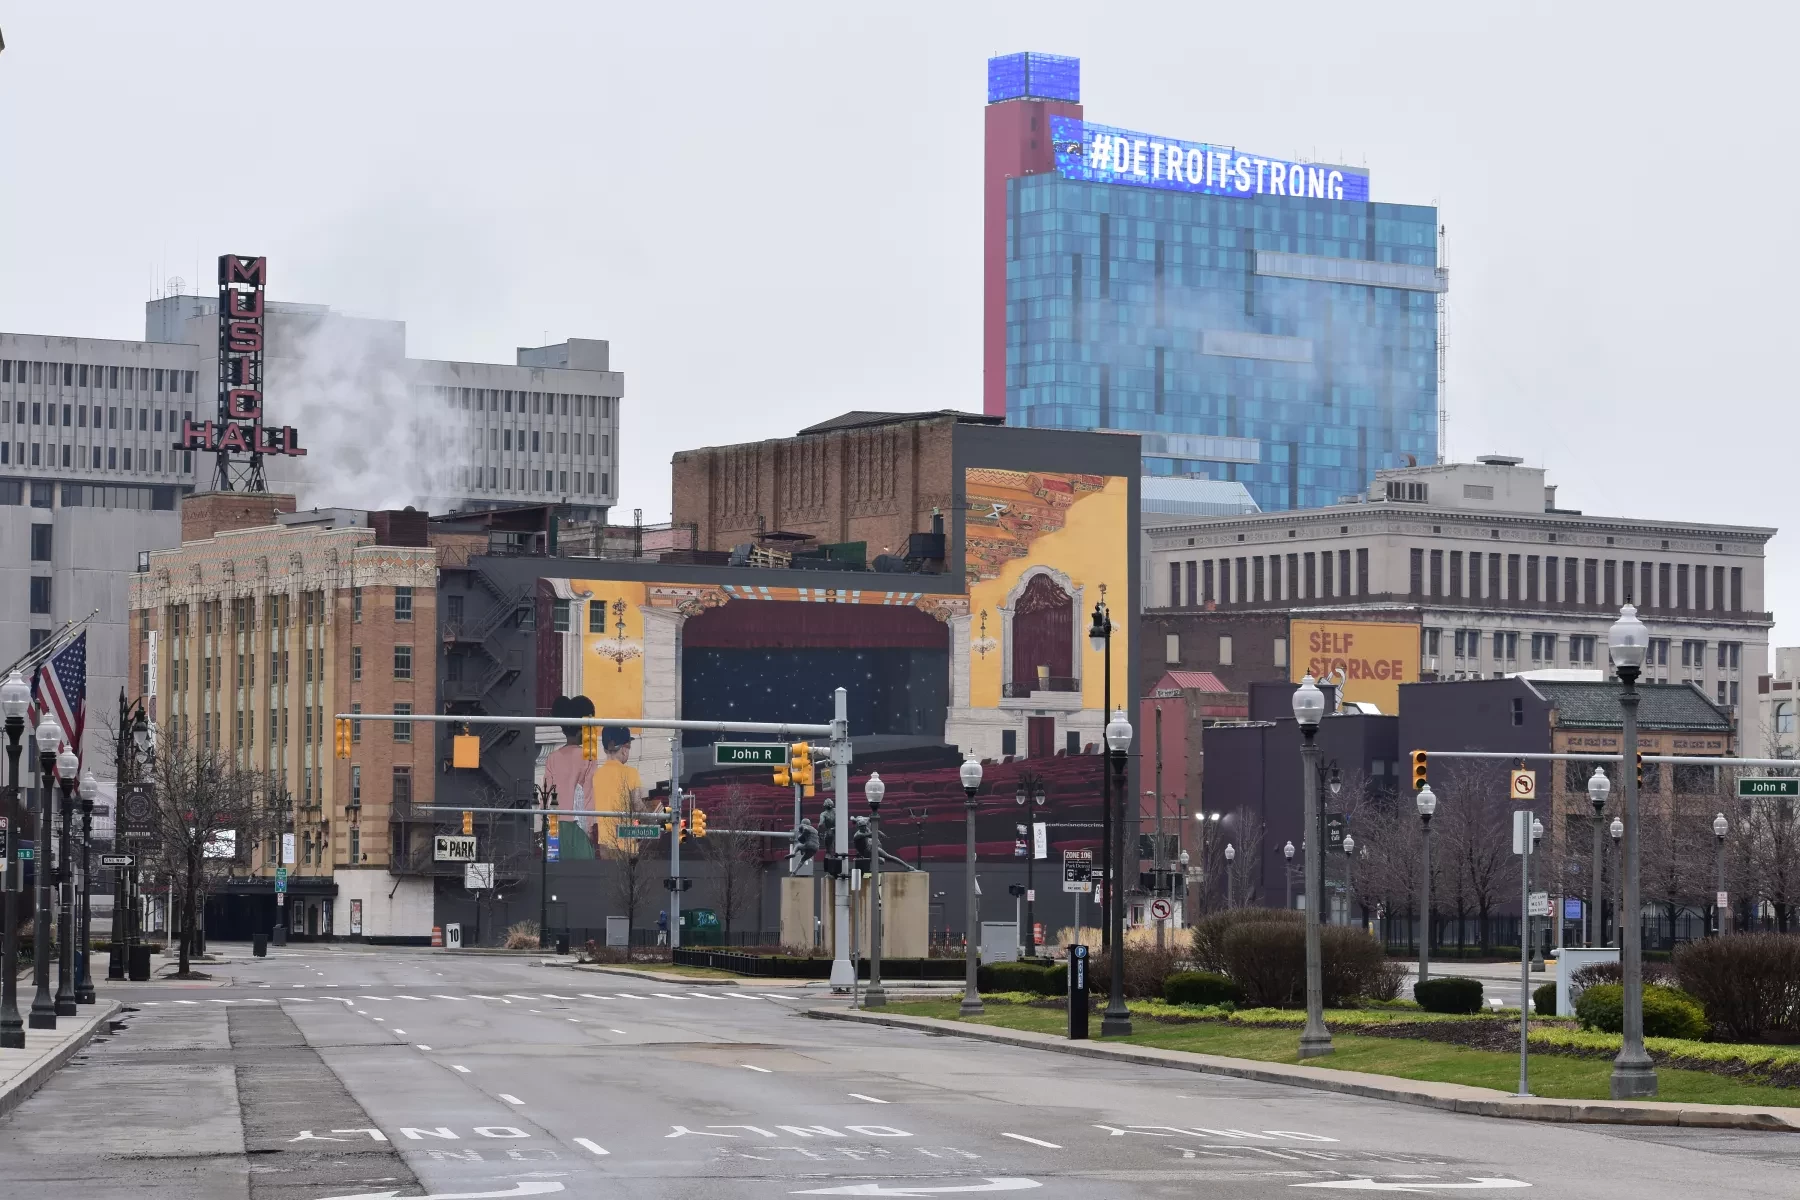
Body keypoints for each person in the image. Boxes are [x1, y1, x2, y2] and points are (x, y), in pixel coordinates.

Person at [541, 695, 598, 833]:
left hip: (555, 825)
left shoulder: (552, 758)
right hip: (578, 826)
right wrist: (589, 828)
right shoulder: (589, 758)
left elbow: (546, 796)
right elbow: (588, 795)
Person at [589, 725, 642, 843]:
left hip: (604, 843)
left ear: (604, 749)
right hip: (626, 844)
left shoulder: (597, 775)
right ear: (624, 749)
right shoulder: (631, 773)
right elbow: (638, 806)